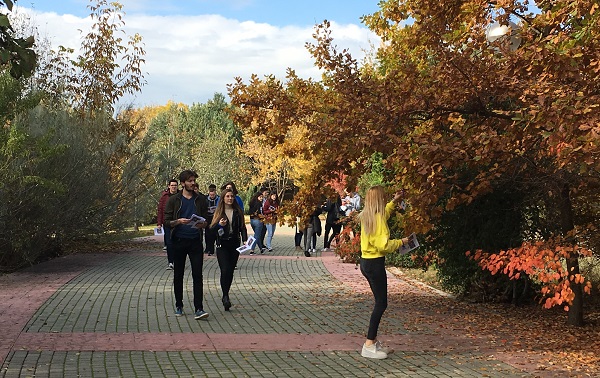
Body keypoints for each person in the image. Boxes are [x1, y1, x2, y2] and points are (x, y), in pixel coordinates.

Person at [358, 186, 410, 359]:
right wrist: (401, 242)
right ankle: (369, 344)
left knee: (380, 302)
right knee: (381, 304)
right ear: (378, 199)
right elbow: (384, 245)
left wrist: (394, 201)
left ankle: (372, 342)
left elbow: (384, 214)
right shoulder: (377, 219)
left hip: (366, 261)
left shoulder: (368, 216)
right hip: (375, 263)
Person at [164, 170, 210, 320]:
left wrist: (203, 225)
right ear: (183, 183)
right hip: (178, 241)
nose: (193, 183)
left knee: (198, 275)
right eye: (190, 181)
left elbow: (207, 220)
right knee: (179, 274)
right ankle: (179, 305)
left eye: (194, 181)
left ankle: (199, 308)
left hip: (195, 241)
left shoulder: (200, 199)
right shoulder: (174, 200)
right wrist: (178, 221)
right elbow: (166, 221)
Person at [208, 188, 248, 311]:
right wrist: (220, 225)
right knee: (224, 269)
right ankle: (225, 296)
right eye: (227, 196)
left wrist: (245, 240)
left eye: (231, 196)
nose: (230, 198)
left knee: (230, 270)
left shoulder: (237, 211)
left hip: (234, 243)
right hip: (222, 244)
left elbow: (243, 227)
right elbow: (211, 230)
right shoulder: (219, 212)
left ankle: (226, 293)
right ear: (223, 198)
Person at [157, 179, 179, 269]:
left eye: (175, 185)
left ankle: (178, 261)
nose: (174, 187)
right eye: (172, 185)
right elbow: (160, 210)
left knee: (177, 243)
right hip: (167, 223)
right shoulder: (164, 197)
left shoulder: (180, 196)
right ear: (169, 186)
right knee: (169, 243)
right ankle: (171, 262)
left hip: (178, 223)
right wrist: (159, 223)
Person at [205, 184, 220, 256]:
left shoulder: (219, 199)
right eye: (211, 195)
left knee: (218, 234)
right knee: (209, 235)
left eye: (213, 195)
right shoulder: (205, 200)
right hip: (208, 219)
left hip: (217, 219)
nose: (212, 196)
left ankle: (218, 248)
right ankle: (210, 250)